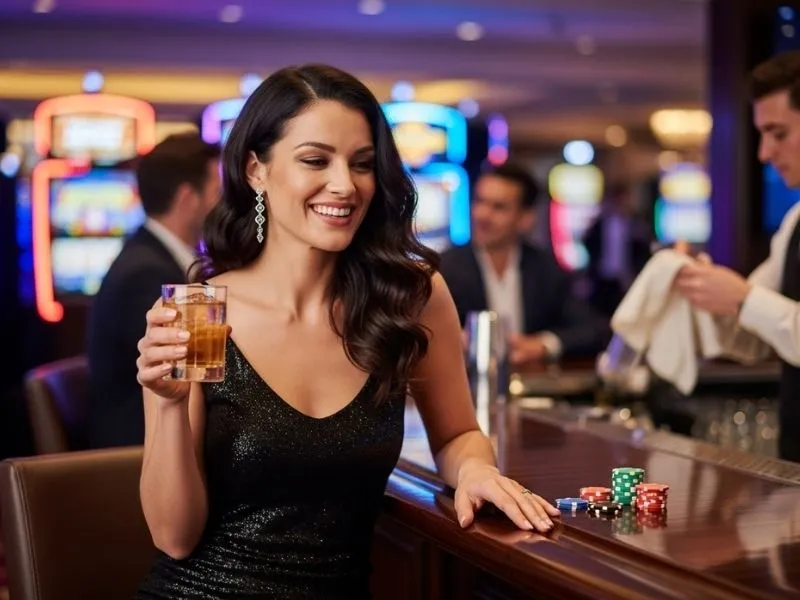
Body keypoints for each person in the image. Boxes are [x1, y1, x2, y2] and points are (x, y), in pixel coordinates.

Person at [133, 65, 560, 599]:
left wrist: (474, 470)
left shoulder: (411, 297)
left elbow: (455, 435)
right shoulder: (199, 312)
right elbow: (174, 536)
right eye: (315, 160)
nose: (345, 185)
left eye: (361, 164)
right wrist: (169, 404)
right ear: (255, 169)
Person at [674, 50, 800, 462]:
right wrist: (702, 290)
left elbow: (752, 302)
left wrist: (743, 299)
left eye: (777, 133)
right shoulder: (795, 219)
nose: (764, 153)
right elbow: (750, 337)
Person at [86, 133, 221, 448]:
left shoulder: (150, 255)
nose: (226, 205)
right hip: (134, 451)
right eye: (218, 192)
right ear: (189, 198)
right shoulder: (147, 274)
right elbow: (193, 372)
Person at [439, 163, 609, 365]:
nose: (482, 215)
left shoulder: (545, 267)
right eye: (480, 201)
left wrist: (542, 345)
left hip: (531, 387)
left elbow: (594, 330)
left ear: (525, 218)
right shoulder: (445, 267)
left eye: (498, 207)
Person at [583, 182, 652, 317]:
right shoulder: (600, 223)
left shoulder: (636, 223)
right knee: (601, 317)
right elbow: (588, 244)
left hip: (626, 278)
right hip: (602, 279)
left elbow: (643, 249)